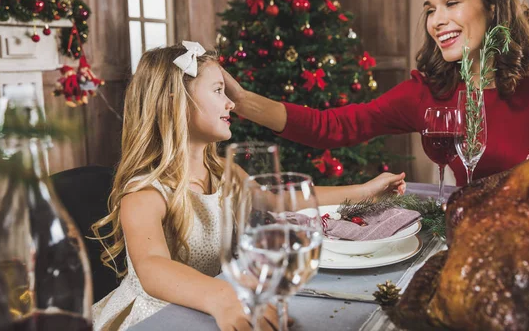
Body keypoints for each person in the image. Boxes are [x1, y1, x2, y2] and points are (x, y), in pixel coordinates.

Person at [90, 42, 406, 331]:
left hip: (215, 310)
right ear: (176, 103)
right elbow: (152, 268)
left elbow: (280, 202)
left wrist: (365, 191)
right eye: (217, 91)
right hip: (158, 318)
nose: (231, 103)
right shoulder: (145, 191)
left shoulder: (226, 174)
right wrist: (222, 296)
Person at [221, 0, 529, 187]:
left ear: (493, 6)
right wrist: (241, 100)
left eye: (451, 3)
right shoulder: (429, 92)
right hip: (466, 240)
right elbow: (334, 126)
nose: (437, 21)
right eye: (431, 9)